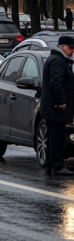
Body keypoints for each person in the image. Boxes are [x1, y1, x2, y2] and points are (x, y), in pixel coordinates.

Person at [39, 35, 74, 176]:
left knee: (53, 136)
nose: (72, 51)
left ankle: (50, 164)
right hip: (56, 108)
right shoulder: (58, 61)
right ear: (63, 47)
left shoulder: (57, 60)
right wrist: (61, 102)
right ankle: (57, 166)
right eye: (71, 48)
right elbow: (56, 83)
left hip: (52, 107)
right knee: (56, 138)